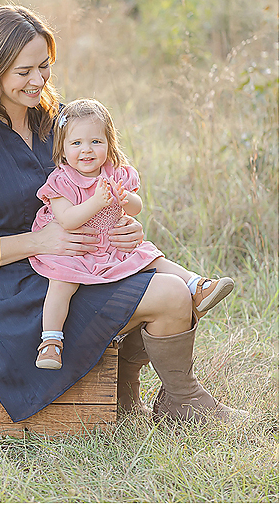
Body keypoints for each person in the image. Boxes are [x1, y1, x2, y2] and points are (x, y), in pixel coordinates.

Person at [0, 4, 246, 422]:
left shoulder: (56, 126)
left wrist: (124, 225)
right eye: (24, 71)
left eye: (44, 67)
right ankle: (183, 401)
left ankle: (130, 390)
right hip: (17, 291)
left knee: (174, 284)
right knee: (172, 294)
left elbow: (98, 186)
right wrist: (38, 241)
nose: (38, 80)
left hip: (82, 259)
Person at [27, 98, 236, 370]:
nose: (86, 150)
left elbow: (136, 207)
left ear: (108, 143)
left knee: (151, 257)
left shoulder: (116, 173)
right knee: (61, 285)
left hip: (112, 244)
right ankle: (51, 342)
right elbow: (67, 220)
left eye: (95, 142)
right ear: (63, 150)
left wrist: (125, 199)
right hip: (76, 249)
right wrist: (97, 203)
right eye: (76, 143)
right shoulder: (61, 180)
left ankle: (197, 285)